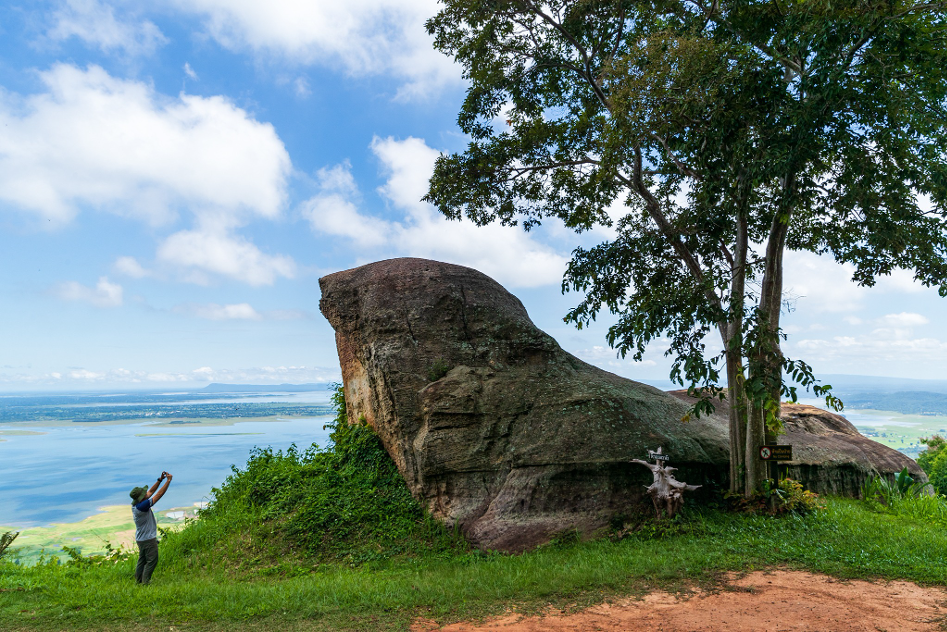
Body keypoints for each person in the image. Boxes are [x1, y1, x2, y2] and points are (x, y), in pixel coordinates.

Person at [128, 471, 172, 584]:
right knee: (152, 560)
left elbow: (151, 492)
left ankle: (138, 581)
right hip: (148, 539)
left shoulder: (136, 505)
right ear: (141, 498)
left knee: (142, 560)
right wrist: (168, 481)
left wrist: (159, 480)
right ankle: (145, 582)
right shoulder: (142, 507)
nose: (146, 494)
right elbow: (158, 495)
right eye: (143, 494)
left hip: (140, 538)